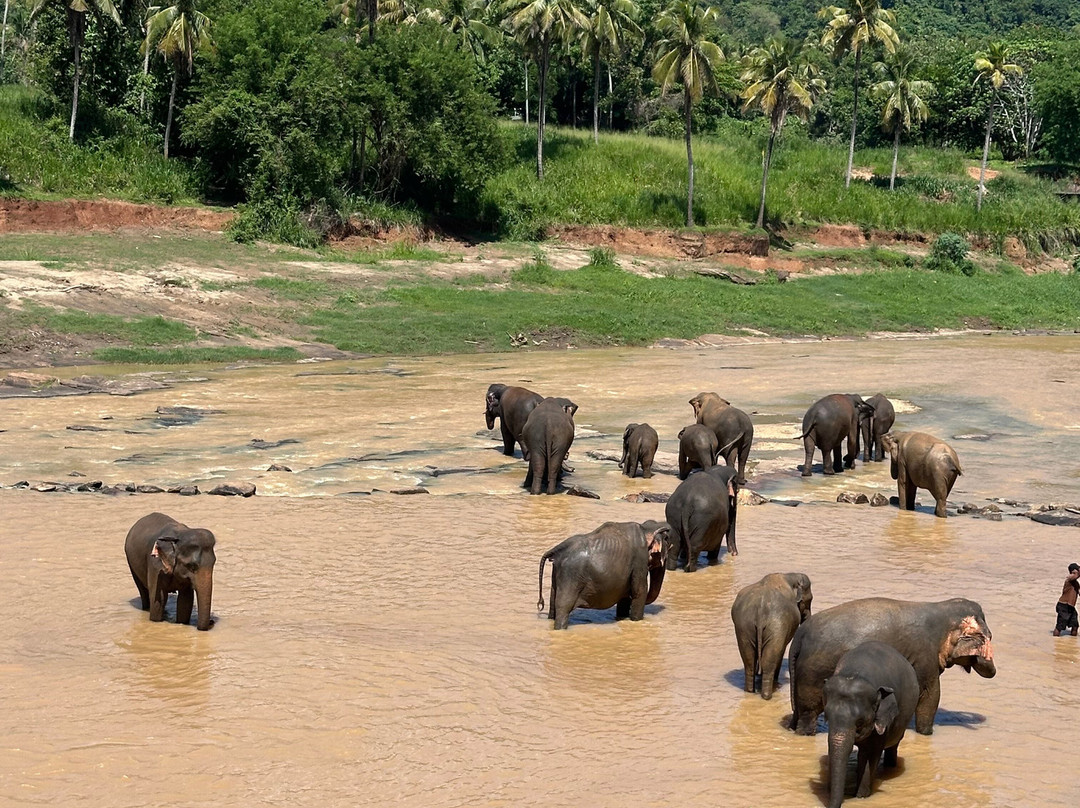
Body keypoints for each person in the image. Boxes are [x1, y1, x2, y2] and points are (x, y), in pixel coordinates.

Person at [1054, 563, 1080, 637]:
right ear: (1073, 571)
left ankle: (1072, 643)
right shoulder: (1069, 580)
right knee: (1060, 627)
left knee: (1075, 626)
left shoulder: (1076, 584)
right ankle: (1056, 642)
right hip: (1063, 605)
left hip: (1071, 607)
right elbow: (1074, 576)